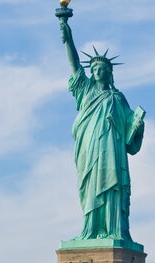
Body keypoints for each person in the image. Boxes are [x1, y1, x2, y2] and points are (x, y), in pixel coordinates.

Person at [58, 14, 145, 244]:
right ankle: (91, 230)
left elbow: (129, 134)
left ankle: (113, 230)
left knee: (113, 187)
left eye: (101, 69)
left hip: (112, 151)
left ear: (109, 73)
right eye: (94, 69)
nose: (97, 72)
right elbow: (74, 64)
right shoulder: (85, 91)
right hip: (89, 147)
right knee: (89, 187)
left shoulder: (118, 97)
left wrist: (137, 125)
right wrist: (67, 34)